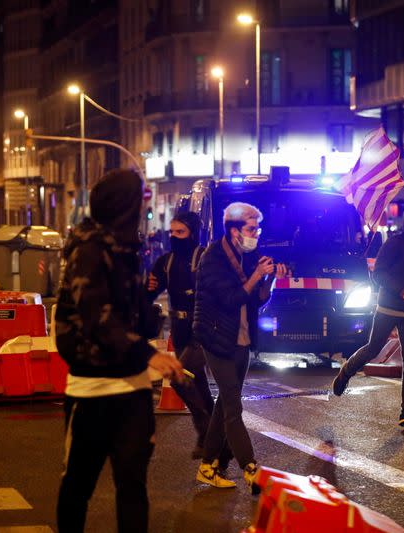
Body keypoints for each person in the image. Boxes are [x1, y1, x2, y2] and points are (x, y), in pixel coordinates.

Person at [54, 169, 184, 533]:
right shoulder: (90, 250)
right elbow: (97, 317)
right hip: (92, 392)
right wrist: (149, 354)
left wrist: (148, 308)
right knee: (78, 485)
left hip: (133, 391)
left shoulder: (127, 250)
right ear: (123, 204)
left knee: (132, 485)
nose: (146, 201)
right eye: (140, 195)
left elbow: (128, 317)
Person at [192, 202, 287, 491]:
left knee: (225, 404)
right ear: (233, 230)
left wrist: (269, 278)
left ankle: (208, 466)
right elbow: (231, 299)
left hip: (241, 339)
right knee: (233, 404)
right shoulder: (213, 257)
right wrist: (257, 276)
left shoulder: (249, 256)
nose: (255, 233)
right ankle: (250, 466)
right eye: (250, 228)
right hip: (216, 337)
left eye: (257, 228)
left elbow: (255, 300)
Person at [331, 205, 404, 427]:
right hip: (388, 307)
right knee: (373, 348)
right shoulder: (394, 242)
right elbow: (379, 274)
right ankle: (346, 371)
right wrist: (402, 291)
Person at [146, 211, 220, 461]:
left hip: (202, 331)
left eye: (181, 232)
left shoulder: (205, 259)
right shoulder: (165, 262)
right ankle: (216, 439)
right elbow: (147, 296)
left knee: (178, 377)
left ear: (192, 233)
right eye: (172, 232)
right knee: (196, 384)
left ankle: (205, 432)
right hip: (178, 332)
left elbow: (214, 297)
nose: (175, 237)